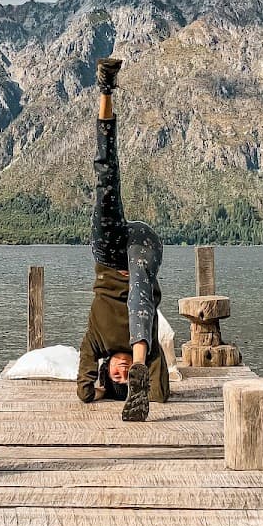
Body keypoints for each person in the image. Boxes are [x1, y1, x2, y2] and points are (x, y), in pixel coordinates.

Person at [76, 56, 170, 421]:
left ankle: (105, 90)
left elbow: (83, 393)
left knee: (106, 180)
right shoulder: (150, 342)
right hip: (143, 248)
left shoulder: (95, 342)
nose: (120, 373)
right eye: (126, 378)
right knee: (141, 292)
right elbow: (161, 395)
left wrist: (100, 389)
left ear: (106, 367)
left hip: (110, 254)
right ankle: (142, 356)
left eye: (119, 376)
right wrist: (144, 365)